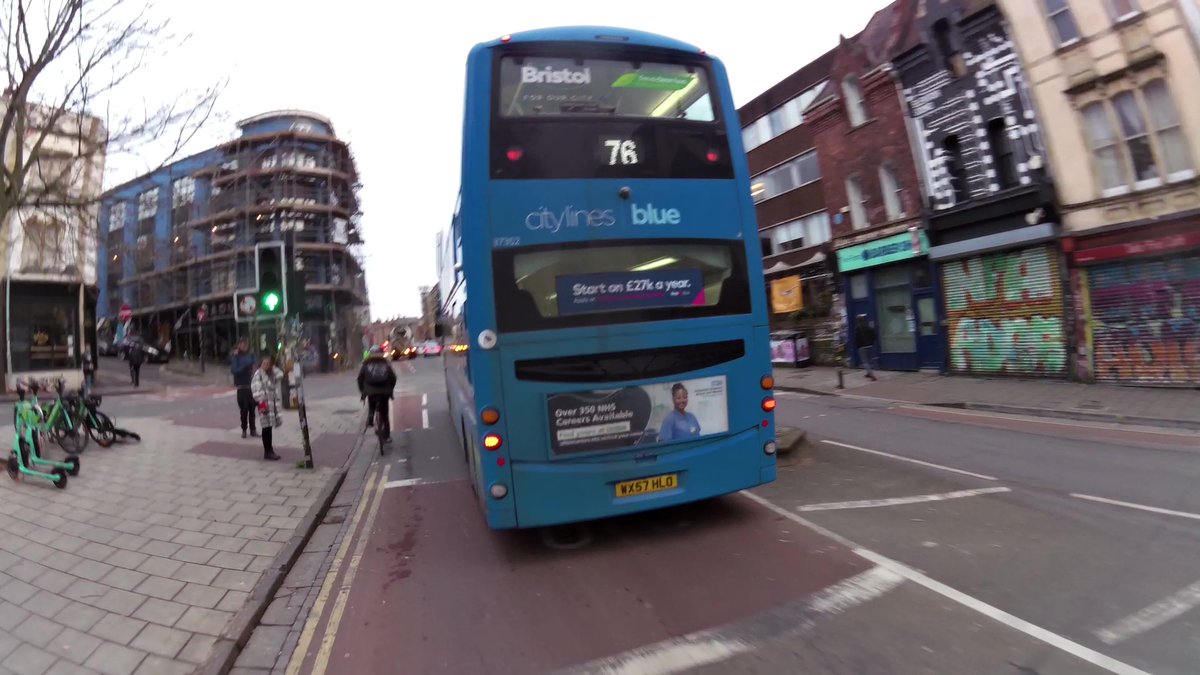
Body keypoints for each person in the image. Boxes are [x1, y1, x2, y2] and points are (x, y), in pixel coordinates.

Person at [358, 345, 397, 441]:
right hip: (384, 392)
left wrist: (362, 391)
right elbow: (393, 378)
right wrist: (390, 389)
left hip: (371, 392)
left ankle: (371, 417)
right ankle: (387, 436)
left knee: (371, 403)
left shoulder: (366, 364)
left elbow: (360, 379)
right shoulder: (386, 363)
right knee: (385, 413)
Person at [250, 354, 284, 461]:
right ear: (260, 364)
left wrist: (272, 367)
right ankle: (268, 451)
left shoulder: (271, 374)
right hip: (264, 404)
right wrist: (262, 406)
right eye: (264, 363)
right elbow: (256, 391)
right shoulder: (258, 375)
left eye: (268, 364)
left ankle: (270, 450)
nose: (266, 365)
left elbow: (281, 374)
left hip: (272, 404)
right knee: (266, 427)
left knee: (269, 427)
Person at [230, 339, 258, 438]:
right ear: (239, 345)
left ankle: (253, 430)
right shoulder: (236, 356)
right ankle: (244, 430)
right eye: (242, 344)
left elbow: (255, 366)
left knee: (252, 409)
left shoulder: (251, 355)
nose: (244, 346)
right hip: (241, 387)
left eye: (246, 344)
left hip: (251, 386)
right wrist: (245, 366)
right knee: (244, 410)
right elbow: (234, 370)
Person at [854, 314, 878, 381]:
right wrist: (872, 342)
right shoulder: (868, 326)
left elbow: (857, 338)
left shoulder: (857, 328)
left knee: (865, 361)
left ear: (857, 321)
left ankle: (871, 375)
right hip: (870, 345)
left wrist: (858, 345)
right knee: (869, 360)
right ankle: (868, 373)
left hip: (862, 346)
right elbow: (874, 335)